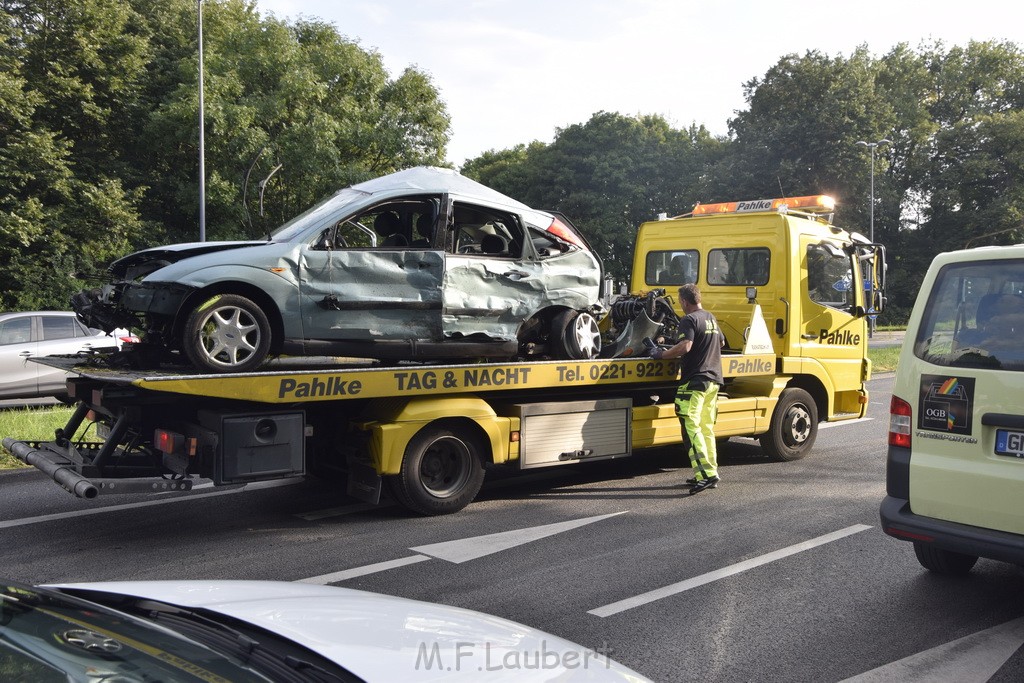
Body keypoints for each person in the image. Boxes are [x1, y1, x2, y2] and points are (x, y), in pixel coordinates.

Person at [650, 283, 724, 495]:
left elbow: (685, 346)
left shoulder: (689, 319)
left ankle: (706, 475)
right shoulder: (710, 317)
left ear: (683, 301)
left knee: (692, 430)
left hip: (694, 382)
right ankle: (709, 471)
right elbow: (720, 343)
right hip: (713, 381)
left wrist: (660, 354)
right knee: (706, 428)